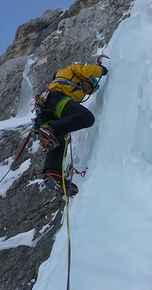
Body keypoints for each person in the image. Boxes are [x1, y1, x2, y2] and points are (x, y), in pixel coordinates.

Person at [33, 60, 108, 196]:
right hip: (55, 99)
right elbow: (88, 71)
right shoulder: (73, 71)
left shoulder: (75, 92)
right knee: (86, 117)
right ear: (85, 79)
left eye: (89, 91)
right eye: (88, 86)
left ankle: (52, 173)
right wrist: (101, 70)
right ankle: (51, 129)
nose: (86, 90)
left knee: (58, 140)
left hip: (45, 111)